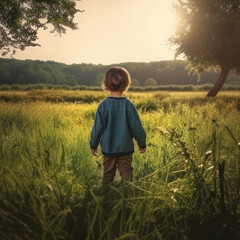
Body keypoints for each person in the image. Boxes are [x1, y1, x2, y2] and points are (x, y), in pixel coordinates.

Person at [89, 66, 146, 185]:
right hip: (125, 149)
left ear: (106, 83)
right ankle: (126, 195)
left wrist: (93, 145)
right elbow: (137, 128)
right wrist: (142, 143)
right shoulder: (129, 105)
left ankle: (106, 197)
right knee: (126, 173)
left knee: (108, 173)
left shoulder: (103, 106)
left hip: (108, 148)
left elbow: (97, 129)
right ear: (126, 84)